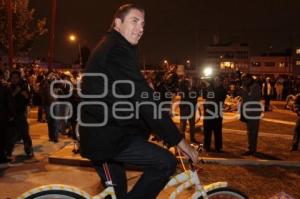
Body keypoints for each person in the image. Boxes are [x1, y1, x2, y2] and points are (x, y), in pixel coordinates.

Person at [79, 4, 198, 199]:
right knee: (165, 162)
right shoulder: (117, 49)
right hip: (106, 139)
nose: (141, 28)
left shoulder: (116, 45)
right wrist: (179, 141)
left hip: (113, 133)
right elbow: (144, 100)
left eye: (143, 24)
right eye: (134, 21)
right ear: (118, 23)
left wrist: (156, 127)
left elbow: (132, 96)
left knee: (119, 193)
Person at [202, 75, 227, 152]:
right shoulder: (210, 88)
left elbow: (217, 97)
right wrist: (205, 87)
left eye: (217, 80)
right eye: (214, 80)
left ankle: (218, 147)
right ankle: (206, 146)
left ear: (220, 82)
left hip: (217, 113)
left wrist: (209, 87)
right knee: (207, 130)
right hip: (208, 112)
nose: (215, 81)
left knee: (217, 131)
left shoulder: (222, 90)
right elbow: (204, 96)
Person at [239, 74, 262, 156]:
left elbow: (252, 98)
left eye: (245, 79)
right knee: (249, 132)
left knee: (253, 132)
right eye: (243, 80)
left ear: (249, 79)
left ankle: (252, 150)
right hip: (248, 112)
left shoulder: (256, 86)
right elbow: (244, 100)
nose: (244, 82)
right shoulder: (247, 87)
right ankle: (250, 148)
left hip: (254, 112)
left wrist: (244, 91)